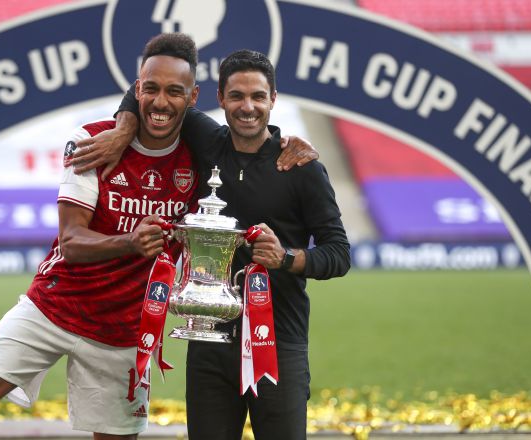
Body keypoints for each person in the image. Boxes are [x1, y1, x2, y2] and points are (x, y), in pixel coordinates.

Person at [0, 32, 204, 440]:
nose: (160, 102)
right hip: (55, 303)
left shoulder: (203, 157)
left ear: (192, 98)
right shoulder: (91, 140)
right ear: (136, 89)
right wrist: (130, 242)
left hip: (124, 328)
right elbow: (71, 242)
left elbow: (255, 143)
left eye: (174, 91)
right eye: (151, 88)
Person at [78, 49, 351, 440]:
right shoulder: (205, 139)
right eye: (237, 96)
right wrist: (124, 131)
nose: (248, 107)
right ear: (219, 98)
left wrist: (286, 257)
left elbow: (339, 253)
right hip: (208, 336)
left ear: (273, 99)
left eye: (258, 96)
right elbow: (144, 92)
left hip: (276, 342)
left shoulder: (301, 168)